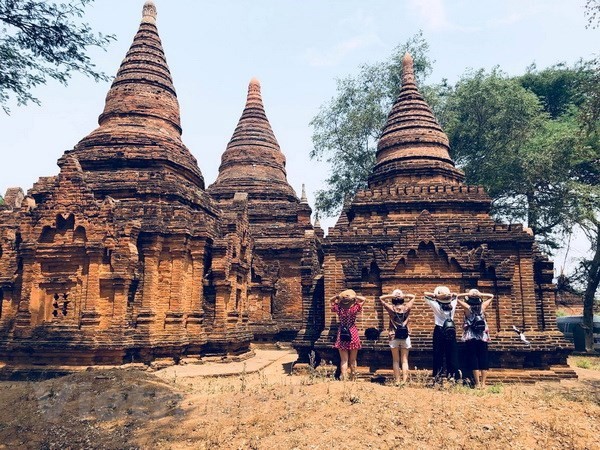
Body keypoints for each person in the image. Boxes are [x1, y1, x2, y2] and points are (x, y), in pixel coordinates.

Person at [456, 288, 494, 388]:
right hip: (482, 336)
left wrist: (468, 294)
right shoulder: (483, 306)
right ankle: (483, 383)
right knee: (483, 358)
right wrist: (480, 294)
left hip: (471, 335)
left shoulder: (467, 308)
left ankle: (477, 383)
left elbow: (457, 297)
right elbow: (491, 296)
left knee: (474, 358)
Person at [379, 289, 416, 384]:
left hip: (393, 335)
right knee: (404, 360)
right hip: (405, 335)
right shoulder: (407, 307)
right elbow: (413, 297)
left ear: (393, 300)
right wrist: (403, 294)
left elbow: (381, 298)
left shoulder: (391, 309)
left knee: (395, 360)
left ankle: (397, 381)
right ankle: (404, 381)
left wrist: (392, 295)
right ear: (402, 299)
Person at [424, 286, 460, 383]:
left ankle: (437, 377)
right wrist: (449, 295)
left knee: (438, 354)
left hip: (439, 329)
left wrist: (436, 296)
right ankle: (453, 376)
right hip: (451, 330)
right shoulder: (453, 303)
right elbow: (456, 296)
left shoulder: (436, 305)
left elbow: (426, 295)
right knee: (452, 353)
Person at [330, 289, 366, 380]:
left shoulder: (339, 309)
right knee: (353, 360)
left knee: (344, 360)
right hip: (352, 332)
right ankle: (353, 377)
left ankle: (344, 378)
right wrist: (354, 297)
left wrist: (339, 297)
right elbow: (363, 299)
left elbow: (331, 300)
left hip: (342, 332)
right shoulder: (354, 309)